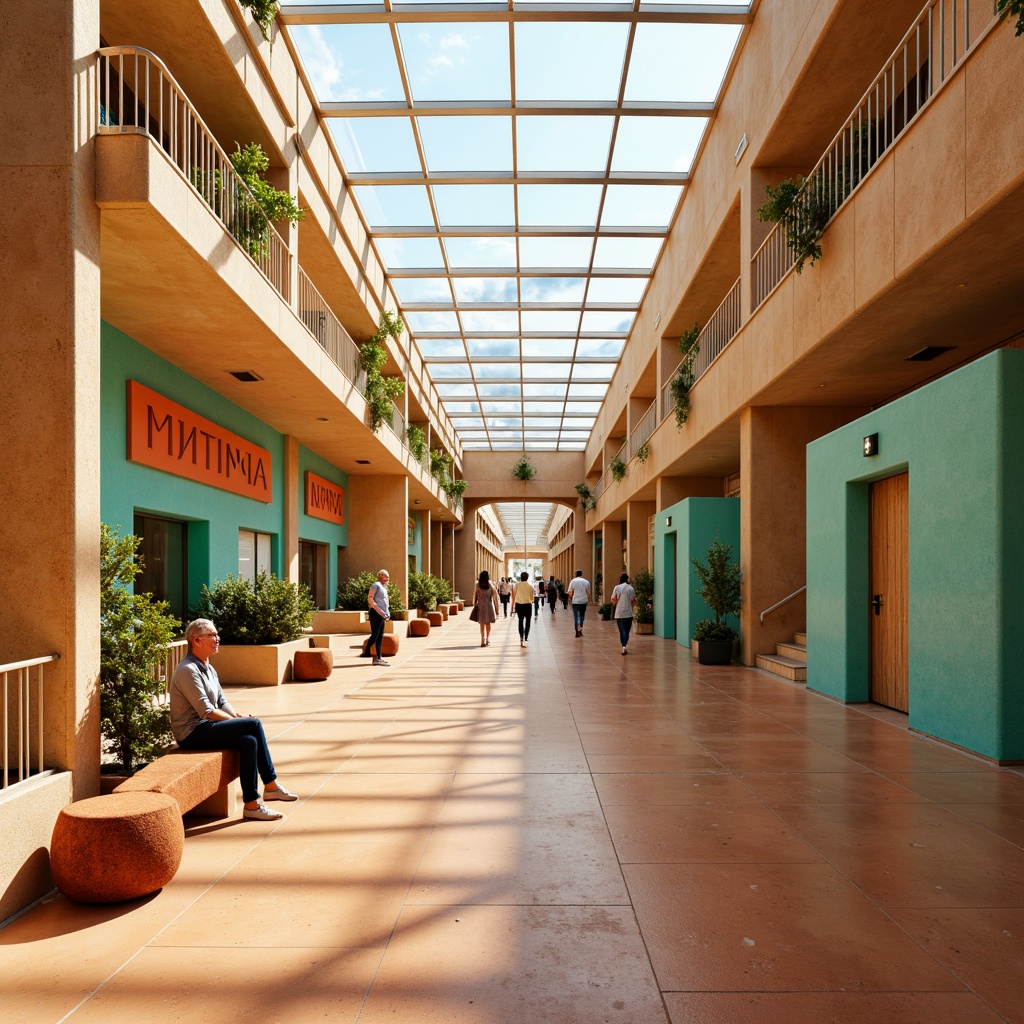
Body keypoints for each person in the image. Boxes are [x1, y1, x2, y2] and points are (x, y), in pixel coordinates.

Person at [170, 619, 297, 821]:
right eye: (212, 635)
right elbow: (206, 711)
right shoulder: (188, 670)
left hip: (207, 727)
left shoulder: (208, 668)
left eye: (216, 634)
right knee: (254, 725)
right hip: (192, 732)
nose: (217, 638)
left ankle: (252, 804)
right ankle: (271, 785)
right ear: (196, 640)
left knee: (249, 741)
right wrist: (235, 722)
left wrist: (236, 717)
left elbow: (221, 700)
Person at [367, 568, 391, 666]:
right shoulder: (375, 585)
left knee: (380, 636)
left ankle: (379, 658)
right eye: (386, 577)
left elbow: (386, 602)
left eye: (388, 577)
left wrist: (387, 613)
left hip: (382, 615)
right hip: (375, 614)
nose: (387, 579)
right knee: (375, 635)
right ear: (380, 575)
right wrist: (379, 610)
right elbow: (370, 598)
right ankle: (367, 651)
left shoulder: (384, 587)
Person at [611, 572, 637, 655]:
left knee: (621, 630)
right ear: (627, 579)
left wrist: (616, 603)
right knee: (626, 630)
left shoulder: (616, 588)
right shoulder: (630, 588)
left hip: (619, 612)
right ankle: (625, 646)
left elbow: (613, 600)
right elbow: (633, 601)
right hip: (628, 612)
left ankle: (623, 646)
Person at [473, 570, 500, 646]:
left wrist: (474, 604)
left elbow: (475, 596)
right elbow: (495, 599)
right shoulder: (491, 585)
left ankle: (482, 639)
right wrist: (497, 611)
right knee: (487, 623)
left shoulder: (477, 585)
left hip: (481, 606)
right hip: (488, 606)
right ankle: (487, 638)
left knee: (482, 623)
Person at [566, 569, 593, 637]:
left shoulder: (573, 581)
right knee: (581, 616)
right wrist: (590, 599)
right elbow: (588, 592)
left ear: (576, 574)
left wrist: (569, 599)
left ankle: (576, 631)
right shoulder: (586, 582)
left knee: (576, 616)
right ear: (581, 574)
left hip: (575, 601)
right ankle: (580, 628)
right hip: (583, 601)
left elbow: (570, 591)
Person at [513, 571, 536, 647]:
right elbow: (532, 599)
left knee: (520, 621)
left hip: (519, 605)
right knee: (528, 621)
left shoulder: (517, 585)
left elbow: (514, 594)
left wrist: (513, 605)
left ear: (521, 577)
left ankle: (521, 637)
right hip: (528, 605)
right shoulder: (530, 587)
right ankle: (526, 636)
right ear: (527, 577)